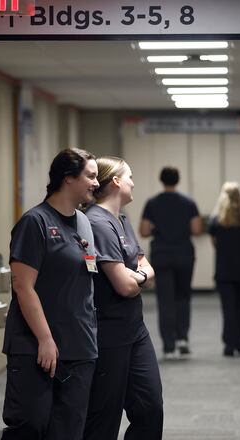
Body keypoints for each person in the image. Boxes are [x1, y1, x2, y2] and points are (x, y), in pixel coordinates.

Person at [1, 148, 100, 440]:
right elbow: (23, 286)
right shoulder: (35, 223)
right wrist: (45, 339)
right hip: (37, 348)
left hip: (79, 347)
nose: (96, 183)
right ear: (68, 178)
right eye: (91, 176)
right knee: (30, 428)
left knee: (68, 431)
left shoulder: (84, 222)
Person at [83, 156, 163, 440]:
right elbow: (124, 286)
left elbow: (146, 269)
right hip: (109, 332)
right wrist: (139, 276)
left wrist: (136, 276)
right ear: (116, 181)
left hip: (134, 329)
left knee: (150, 408)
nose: (133, 183)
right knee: (104, 417)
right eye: (129, 176)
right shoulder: (97, 222)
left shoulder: (122, 219)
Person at [139, 166, 202, 359]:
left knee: (165, 300)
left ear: (161, 180)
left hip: (162, 255)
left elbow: (143, 231)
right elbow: (197, 229)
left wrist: (158, 228)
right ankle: (183, 339)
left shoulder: (152, 203)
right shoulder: (189, 202)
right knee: (183, 296)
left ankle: (168, 346)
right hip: (184, 254)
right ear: (178, 180)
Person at [208, 182, 240, 357]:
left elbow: (215, 244)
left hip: (224, 270)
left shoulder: (216, 221)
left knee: (228, 308)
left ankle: (229, 345)